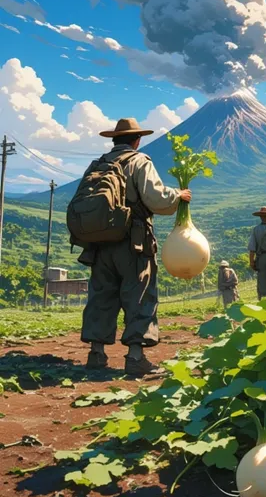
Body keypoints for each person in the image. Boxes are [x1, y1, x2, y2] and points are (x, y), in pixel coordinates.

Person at [77, 118, 191, 376]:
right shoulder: (140, 161)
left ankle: (96, 354)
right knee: (139, 294)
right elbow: (156, 198)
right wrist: (179, 195)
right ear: (137, 140)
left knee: (101, 295)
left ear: (114, 140)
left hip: (99, 243)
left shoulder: (98, 164)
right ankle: (136, 357)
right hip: (133, 242)